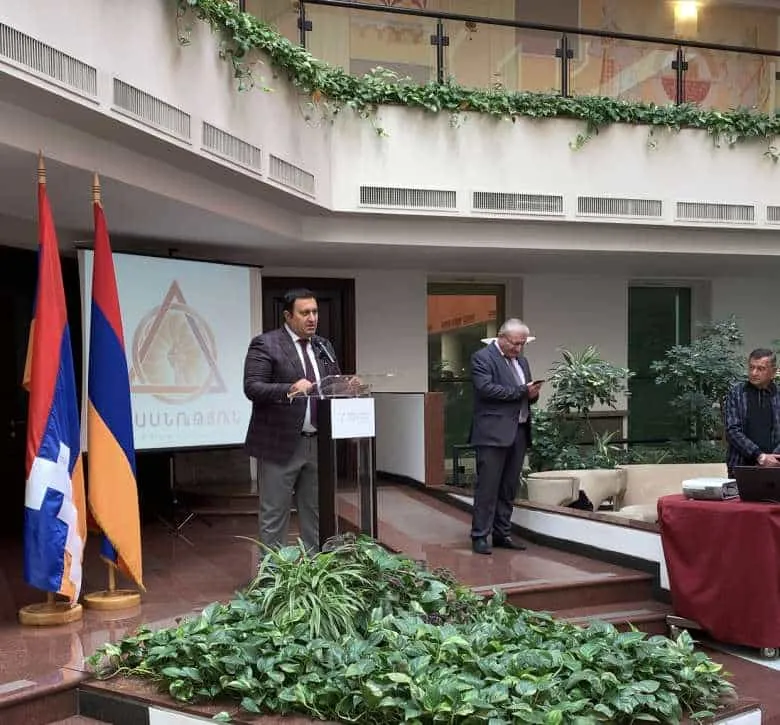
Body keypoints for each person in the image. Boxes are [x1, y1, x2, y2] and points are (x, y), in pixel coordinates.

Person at [243, 288, 341, 553]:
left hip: (319, 442)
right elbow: (252, 387)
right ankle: (273, 575)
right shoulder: (266, 344)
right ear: (288, 316)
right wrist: (289, 388)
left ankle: (316, 571)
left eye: (315, 312)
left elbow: (332, 384)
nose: (312, 318)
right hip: (279, 444)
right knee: (274, 515)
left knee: (317, 514)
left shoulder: (323, 346)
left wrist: (347, 386)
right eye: (305, 313)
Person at [469, 318, 542, 555]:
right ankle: (480, 536)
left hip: (519, 431)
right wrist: (522, 391)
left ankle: (502, 533)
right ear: (501, 337)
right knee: (488, 488)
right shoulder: (482, 358)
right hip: (492, 433)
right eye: (515, 343)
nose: (519, 348)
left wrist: (533, 394)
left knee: (509, 487)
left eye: (522, 344)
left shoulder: (522, 361)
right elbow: (486, 389)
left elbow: (525, 396)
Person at [725, 348, 780, 475]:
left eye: (760, 369)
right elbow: (732, 430)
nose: (754, 373)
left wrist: (773, 458)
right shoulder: (737, 393)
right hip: (741, 466)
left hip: (776, 466)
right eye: (751, 367)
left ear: (773, 372)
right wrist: (759, 456)